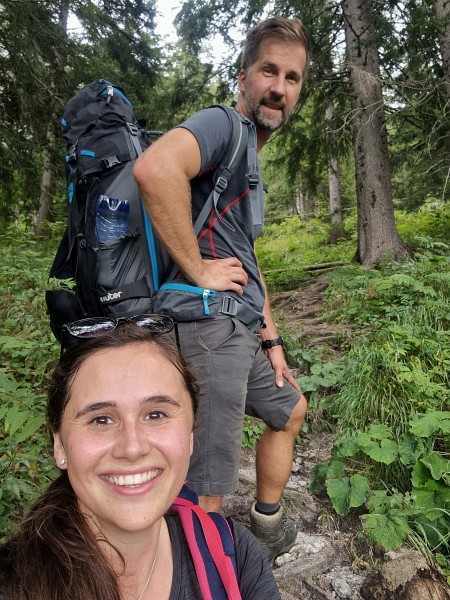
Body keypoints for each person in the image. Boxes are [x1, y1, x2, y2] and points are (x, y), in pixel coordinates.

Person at [133, 16, 310, 564]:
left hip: (239, 328)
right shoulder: (222, 125)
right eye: (268, 71)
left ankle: (266, 525)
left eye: (292, 77)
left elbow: (246, 258)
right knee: (206, 483)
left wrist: (271, 339)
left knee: (289, 409)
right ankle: (189, 576)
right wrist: (199, 269)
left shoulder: (248, 158)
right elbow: (155, 168)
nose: (279, 87)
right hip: (209, 328)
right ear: (243, 78)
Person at [0, 318, 281, 600]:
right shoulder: (14, 583)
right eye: (100, 420)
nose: (132, 448)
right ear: (59, 445)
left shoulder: (234, 556)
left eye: (156, 414)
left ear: (190, 435)